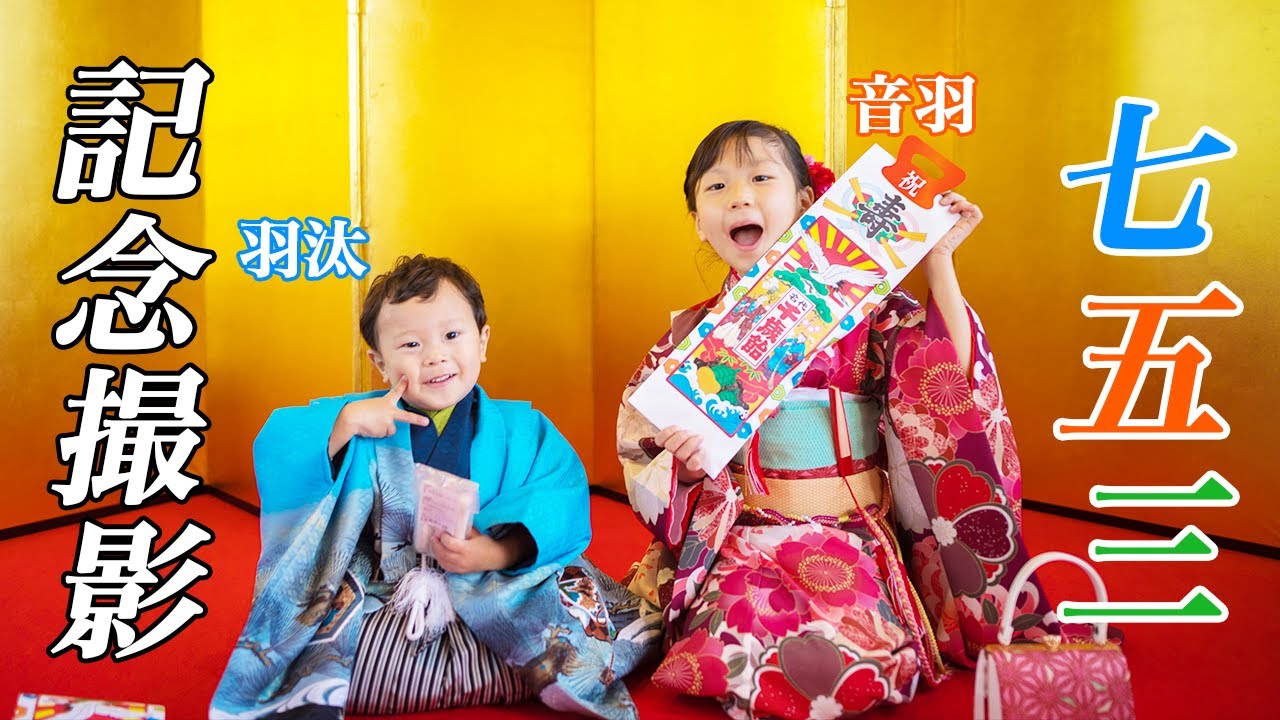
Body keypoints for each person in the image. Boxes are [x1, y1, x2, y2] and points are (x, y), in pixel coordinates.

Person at [617, 121, 1057, 719]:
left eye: (761, 178)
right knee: (734, 640)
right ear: (697, 219)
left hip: (846, 530)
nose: (740, 196)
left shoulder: (866, 313)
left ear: (805, 201)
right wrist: (688, 470)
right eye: (716, 187)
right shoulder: (690, 337)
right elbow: (647, 449)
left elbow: (947, 381)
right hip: (742, 535)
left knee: (850, 662)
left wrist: (939, 264)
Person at [213, 255, 660, 720]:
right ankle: (493, 670)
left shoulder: (523, 426)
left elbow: (559, 496)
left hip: (503, 579)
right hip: (390, 588)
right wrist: (342, 425)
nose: (435, 356)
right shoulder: (361, 417)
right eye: (410, 343)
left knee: (605, 622)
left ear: (483, 341)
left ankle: (462, 664)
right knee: (320, 647)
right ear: (379, 362)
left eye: (452, 335)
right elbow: (279, 444)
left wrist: (496, 552)